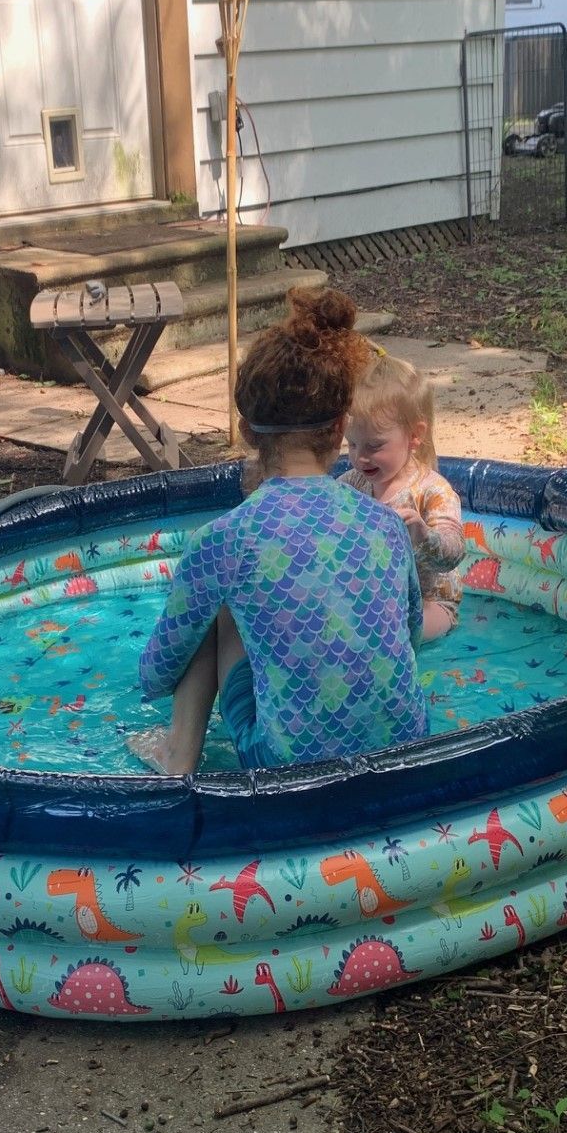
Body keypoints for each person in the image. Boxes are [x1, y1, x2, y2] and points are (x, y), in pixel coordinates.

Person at [131, 290, 428, 776]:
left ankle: (177, 754)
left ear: (248, 432)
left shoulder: (222, 539)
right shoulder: (386, 525)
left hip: (289, 763)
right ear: (339, 428)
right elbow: (410, 636)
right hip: (407, 743)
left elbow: (157, 674)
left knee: (216, 607)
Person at [343, 351, 465, 639]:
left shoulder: (431, 490)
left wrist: (423, 537)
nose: (360, 458)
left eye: (374, 446)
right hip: (373, 602)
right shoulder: (351, 485)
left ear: (414, 435)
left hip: (430, 603)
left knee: (399, 632)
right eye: (352, 445)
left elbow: (454, 552)